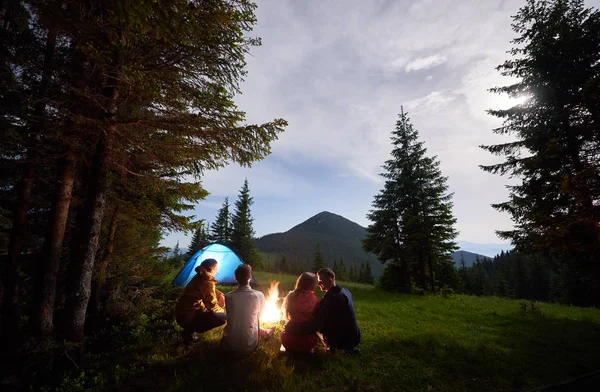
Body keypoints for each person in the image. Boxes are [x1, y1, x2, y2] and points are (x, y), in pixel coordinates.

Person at [222, 264, 274, 356]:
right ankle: (264, 332)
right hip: (250, 346)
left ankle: (263, 331)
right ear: (250, 277)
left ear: (235, 278)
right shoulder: (259, 295)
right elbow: (260, 314)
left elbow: (231, 315)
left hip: (229, 345)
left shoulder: (229, 296)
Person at [175, 258, 227, 343]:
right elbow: (212, 306)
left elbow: (204, 289)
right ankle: (189, 331)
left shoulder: (200, 276)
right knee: (222, 318)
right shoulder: (206, 282)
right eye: (216, 269)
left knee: (206, 310)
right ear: (211, 269)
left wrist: (219, 294)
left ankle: (189, 331)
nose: (217, 271)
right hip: (187, 317)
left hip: (181, 313)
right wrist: (223, 310)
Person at [314, 268, 361, 354]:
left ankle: (334, 348)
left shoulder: (329, 298)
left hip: (341, 341)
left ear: (330, 279)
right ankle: (344, 348)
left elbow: (321, 323)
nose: (318, 284)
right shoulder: (345, 291)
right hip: (355, 337)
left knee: (315, 325)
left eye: (321, 280)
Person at [280, 272, 320, 353]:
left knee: (286, 327)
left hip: (288, 342)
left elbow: (286, 314)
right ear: (312, 285)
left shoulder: (291, 296)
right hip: (307, 343)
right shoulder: (315, 300)